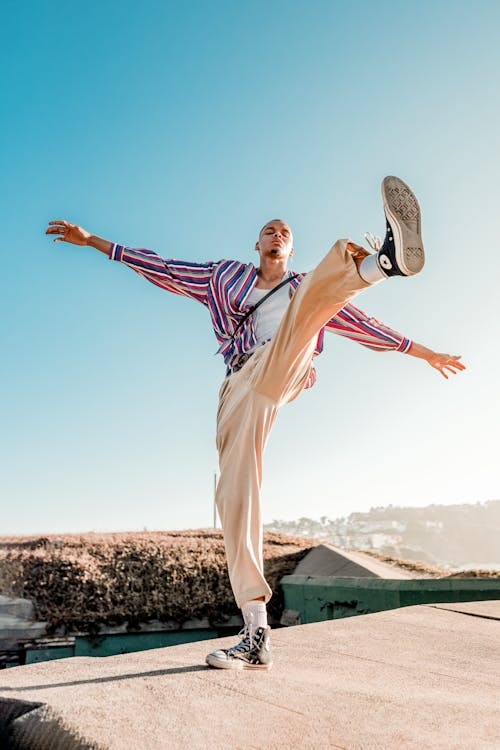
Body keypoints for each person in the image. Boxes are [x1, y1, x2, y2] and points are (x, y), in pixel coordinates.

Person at [46, 176, 465, 671]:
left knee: (315, 297)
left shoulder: (301, 286)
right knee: (236, 494)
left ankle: (383, 264)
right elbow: (160, 266)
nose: (277, 235)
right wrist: (93, 241)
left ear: (290, 247)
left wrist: (422, 351)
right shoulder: (224, 277)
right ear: (258, 243)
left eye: (285, 232)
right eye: (270, 230)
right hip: (240, 386)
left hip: (286, 364)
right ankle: (255, 630)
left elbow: (360, 325)